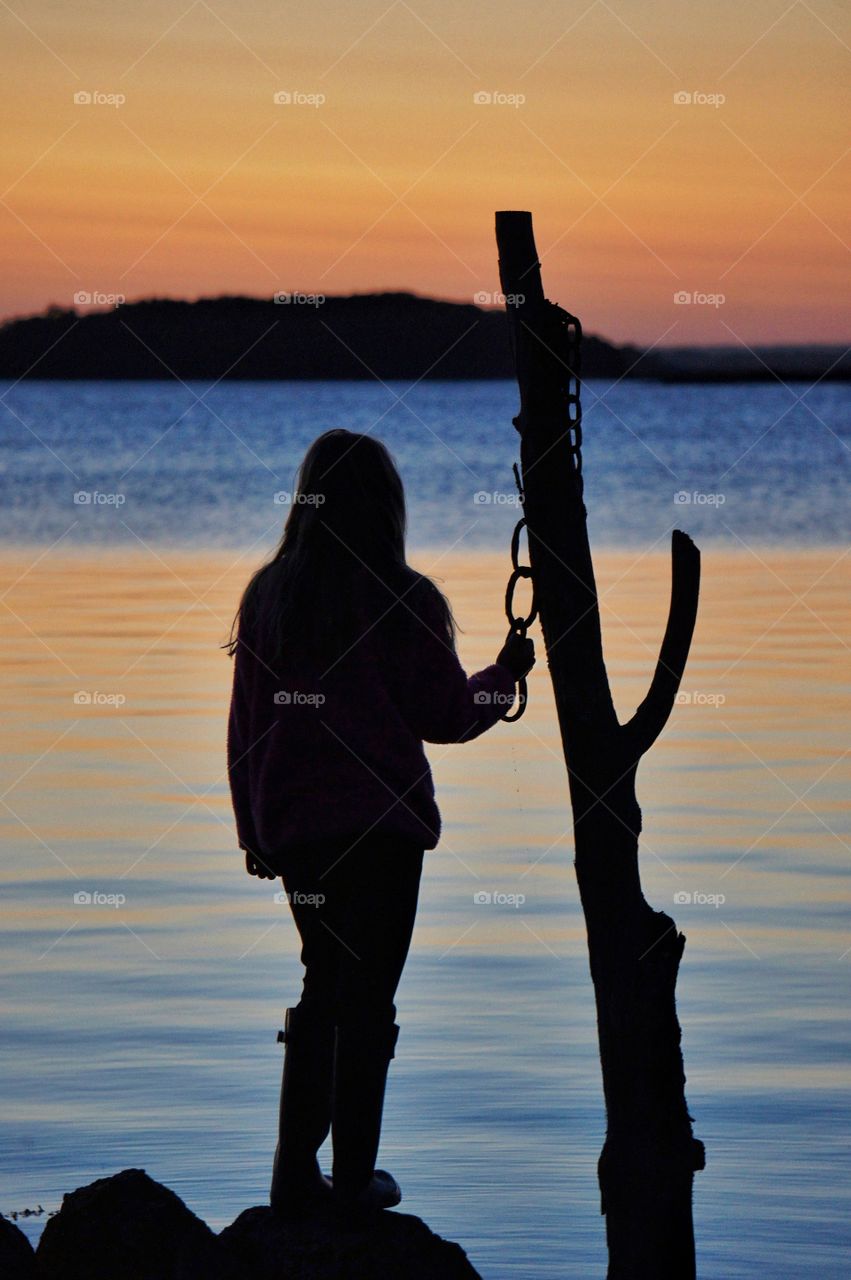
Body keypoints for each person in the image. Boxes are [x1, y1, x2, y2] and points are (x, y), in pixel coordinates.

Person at [226, 428, 535, 1218]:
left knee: (324, 983)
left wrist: (251, 827)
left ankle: (294, 1176)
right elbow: (443, 714)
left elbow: (246, 727)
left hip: (298, 834)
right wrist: (504, 679)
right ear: (386, 508)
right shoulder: (404, 598)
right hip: (384, 835)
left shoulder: (272, 597)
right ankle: (353, 1182)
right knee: (367, 1000)